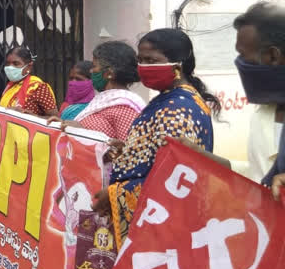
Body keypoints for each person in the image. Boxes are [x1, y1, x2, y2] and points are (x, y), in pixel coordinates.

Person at [93, 28, 218, 250]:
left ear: (177, 66)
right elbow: (156, 153)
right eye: (140, 60)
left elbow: (173, 179)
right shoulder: (169, 99)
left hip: (160, 226)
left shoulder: (177, 109)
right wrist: (130, 150)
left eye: (151, 60)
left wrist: (113, 195)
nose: (143, 67)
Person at [232, 2, 285, 197]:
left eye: (244, 55)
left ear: (273, 55)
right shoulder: (264, 112)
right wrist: (204, 158)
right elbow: (258, 172)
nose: (239, 63)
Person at [54, 42, 146, 141]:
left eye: (94, 66)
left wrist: (82, 131)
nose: (91, 71)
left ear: (109, 73)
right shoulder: (103, 101)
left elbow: (130, 150)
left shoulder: (124, 108)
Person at [0, 47, 59, 117]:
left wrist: (28, 116)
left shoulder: (38, 87)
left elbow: (54, 119)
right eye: (7, 63)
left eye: (16, 63)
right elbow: (4, 113)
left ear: (29, 66)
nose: (10, 67)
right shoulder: (10, 87)